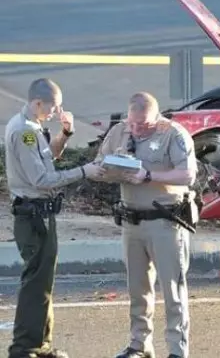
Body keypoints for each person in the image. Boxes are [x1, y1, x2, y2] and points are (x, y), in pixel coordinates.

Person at [4, 78, 106, 358]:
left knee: (44, 282)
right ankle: (24, 347)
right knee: (36, 282)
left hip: (40, 214)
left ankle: (41, 344)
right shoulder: (24, 131)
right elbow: (42, 178)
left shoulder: (33, 127)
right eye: (54, 108)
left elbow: (48, 158)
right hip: (33, 215)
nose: (56, 112)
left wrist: (65, 133)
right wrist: (86, 171)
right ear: (38, 103)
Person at [91, 92, 197, 358]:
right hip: (132, 221)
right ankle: (140, 344)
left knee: (172, 290)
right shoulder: (120, 131)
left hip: (165, 221)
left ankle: (176, 349)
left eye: (144, 125)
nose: (137, 129)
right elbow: (98, 162)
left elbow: (187, 174)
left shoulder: (174, 134)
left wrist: (148, 175)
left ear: (156, 117)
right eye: (133, 123)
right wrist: (104, 171)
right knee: (138, 289)